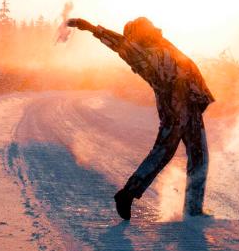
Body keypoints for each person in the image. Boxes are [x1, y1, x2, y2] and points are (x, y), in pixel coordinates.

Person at [65, 16, 215, 220]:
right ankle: (127, 194)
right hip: (174, 107)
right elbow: (120, 44)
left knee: (199, 156)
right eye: (146, 26)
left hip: (190, 104)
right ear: (138, 34)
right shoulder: (140, 54)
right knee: (162, 153)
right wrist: (93, 28)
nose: (152, 27)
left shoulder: (160, 44)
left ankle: (193, 209)